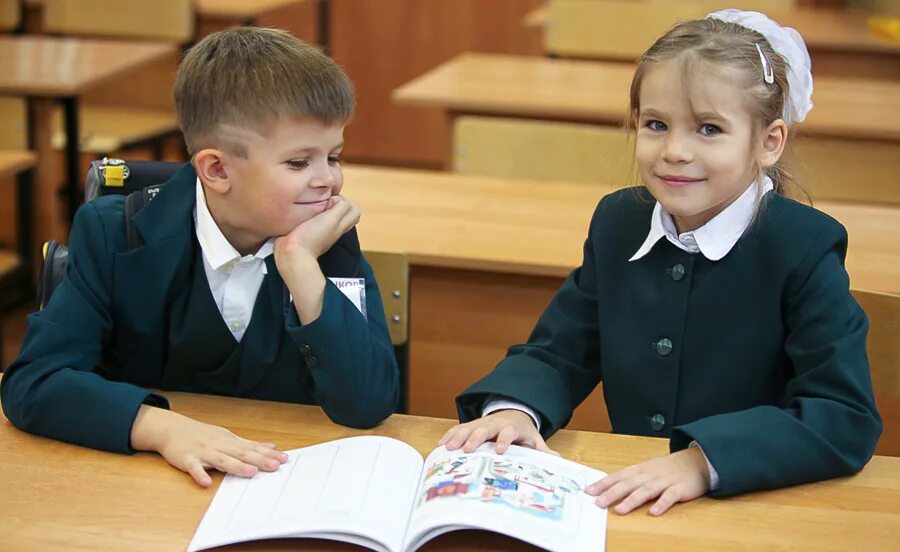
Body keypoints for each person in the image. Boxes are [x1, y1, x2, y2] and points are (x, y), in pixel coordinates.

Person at [439, 10, 881, 515]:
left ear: (768, 143)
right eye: (655, 124)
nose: (674, 150)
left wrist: (701, 462)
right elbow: (559, 350)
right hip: (630, 495)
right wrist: (517, 409)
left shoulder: (803, 246)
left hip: (750, 504)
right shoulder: (617, 222)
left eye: (709, 129)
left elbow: (842, 415)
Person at [1, 27, 399, 487]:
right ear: (217, 169)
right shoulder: (117, 234)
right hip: (143, 485)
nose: (327, 180)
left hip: (277, 480)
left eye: (334, 156)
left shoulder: (325, 241)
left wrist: (301, 267)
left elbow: (368, 403)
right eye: (298, 163)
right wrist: (161, 427)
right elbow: (34, 382)